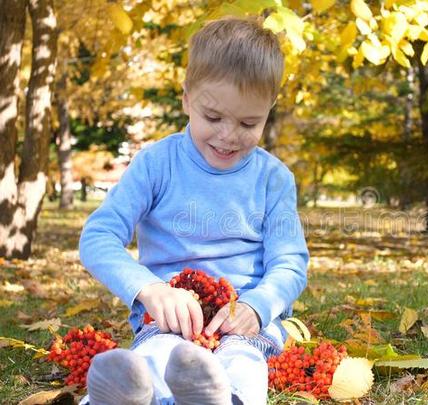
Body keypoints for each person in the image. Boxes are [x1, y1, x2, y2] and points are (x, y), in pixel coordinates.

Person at [77, 17, 309, 405]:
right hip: (169, 316)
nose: (228, 135)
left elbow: (290, 263)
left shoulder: (274, 179)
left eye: (249, 122)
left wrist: (259, 305)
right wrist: (150, 290)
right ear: (186, 98)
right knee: (158, 354)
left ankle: (223, 398)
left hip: (245, 319)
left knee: (243, 361)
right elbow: (98, 238)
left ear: (269, 110)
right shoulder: (156, 163)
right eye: (213, 117)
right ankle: (121, 397)